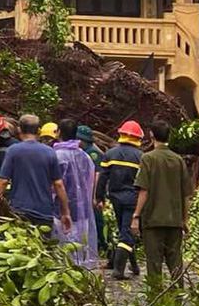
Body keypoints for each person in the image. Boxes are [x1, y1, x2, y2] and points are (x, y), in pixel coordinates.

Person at [132, 120, 192, 283]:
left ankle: (155, 301)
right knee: (176, 263)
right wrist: (185, 220)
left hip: (153, 219)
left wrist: (136, 215)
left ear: (151, 134)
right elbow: (186, 194)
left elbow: (144, 190)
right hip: (174, 219)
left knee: (154, 264)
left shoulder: (148, 158)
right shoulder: (178, 160)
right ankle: (178, 299)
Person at [0, 114, 72, 235]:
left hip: (19, 210)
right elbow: (58, 184)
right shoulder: (50, 152)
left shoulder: (13, 150)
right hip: (44, 211)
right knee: (43, 250)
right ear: (38, 131)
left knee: (18, 248)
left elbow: (3, 181)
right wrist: (66, 212)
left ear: (19, 129)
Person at [97, 120, 145, 280]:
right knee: (127, 232)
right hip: (133, 199)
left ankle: (134, 265)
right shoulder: (141, 157)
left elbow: (102, 178)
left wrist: (99, 197)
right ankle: (118, 270)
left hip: (115, 198)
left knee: (125, 230)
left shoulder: (110, 154)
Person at [52, 118, 98, 268]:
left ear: (58, 132)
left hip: (60, 210)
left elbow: (55, 185)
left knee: (62, 251)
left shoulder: (56, 156)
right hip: (82, 209)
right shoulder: (85, 156)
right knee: (79, 247)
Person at [77, 124, 107, 258]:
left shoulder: (92, 153)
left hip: (92, 193)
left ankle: (106, 246)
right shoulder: (84, 152)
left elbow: (97, 175)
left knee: (98, 221)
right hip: (85, 192)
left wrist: (95, 195)